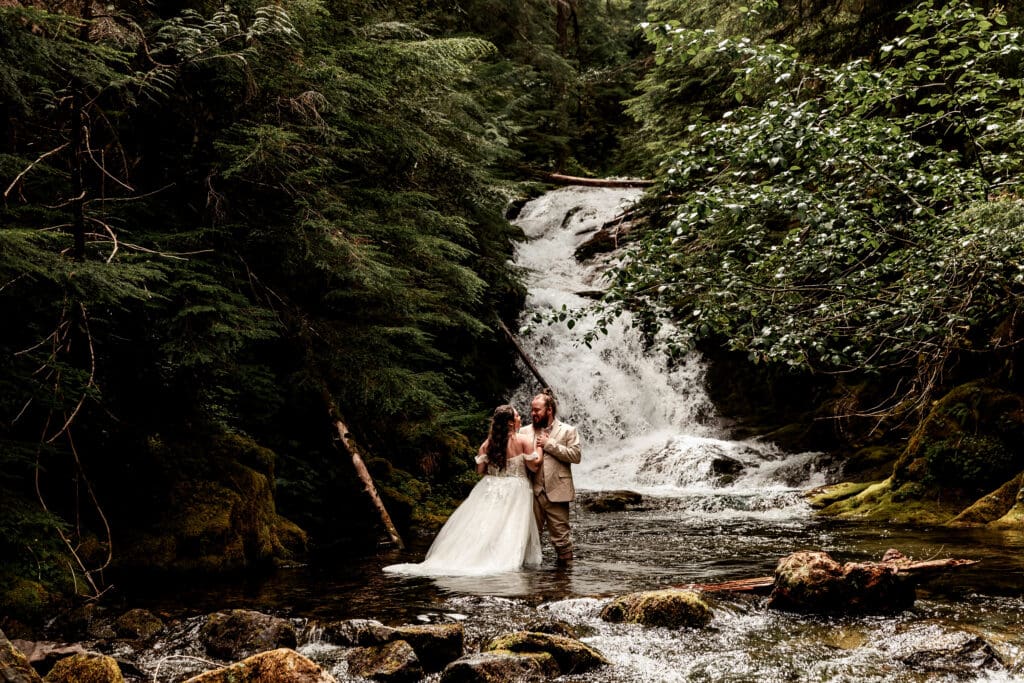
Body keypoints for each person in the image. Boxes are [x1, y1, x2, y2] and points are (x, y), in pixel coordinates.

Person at [383, 405, 543, 576]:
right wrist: (539, 448)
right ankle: (505, 558)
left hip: (491, 486)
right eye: (517, 416)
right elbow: (533, 467)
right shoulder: (524, 440)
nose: (520, 418)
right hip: (516, 489)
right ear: (511, 423)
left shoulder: (488, 444)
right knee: (511, 525)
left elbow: (480, 470)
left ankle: (476, 555)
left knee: (486, 524)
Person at [519, 388, 581, 565]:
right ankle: (529, 586)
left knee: (562, 541)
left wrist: (549, 444)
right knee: (529, 539)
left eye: (537, 410)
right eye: (532, 409)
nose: (533, 413)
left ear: (549, 410)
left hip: (558, 491)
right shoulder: (524, 432)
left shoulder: (568, 431)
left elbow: (576, 456)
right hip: (532, 493)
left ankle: (563, 585)